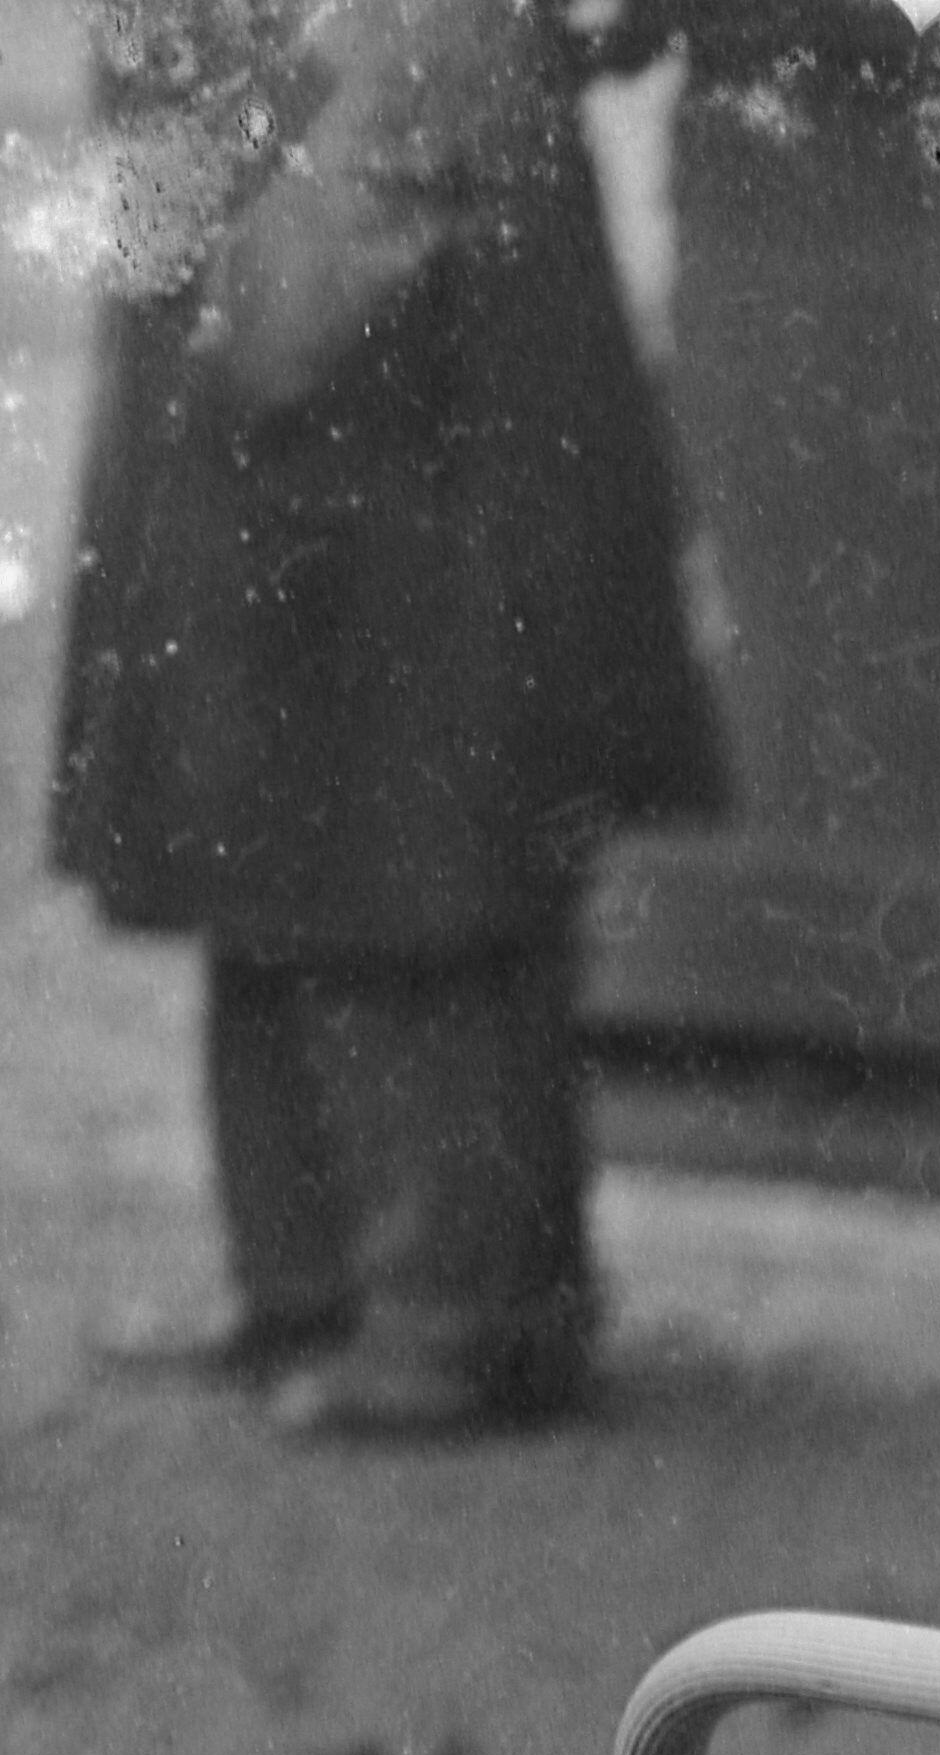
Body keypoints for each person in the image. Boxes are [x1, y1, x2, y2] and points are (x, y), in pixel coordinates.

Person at [50, 0, 722, 1438]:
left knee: (414, 870)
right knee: (279, 849)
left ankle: (458, 1312)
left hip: (387, 397)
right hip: (283, 375)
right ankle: (306, 1280)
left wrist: (280, 318)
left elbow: (410, 100)